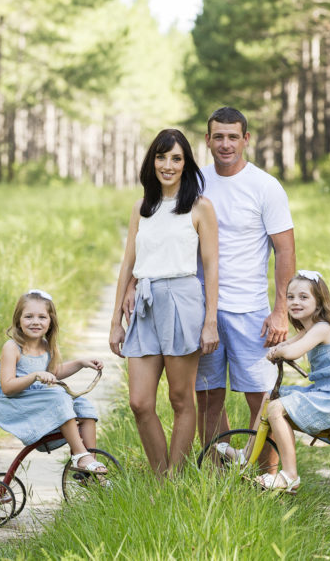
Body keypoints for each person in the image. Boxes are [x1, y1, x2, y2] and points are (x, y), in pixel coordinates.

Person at [109, 128, 219, 475]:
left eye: (176, 158)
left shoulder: (199, 207)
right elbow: (128, 263)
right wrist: (115, 322)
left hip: (182, 301)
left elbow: (212, 266)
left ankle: (175, 478)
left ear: (186, 164)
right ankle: (161, 478)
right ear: (152, 161)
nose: (167, 165)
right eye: (161, 157)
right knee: (139, 402)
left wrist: (210, 321)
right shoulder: (142, 207)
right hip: (144, 304)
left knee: (180, 398)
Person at [194, 106, 296, 448]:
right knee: (208, 398)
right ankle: (214, 469)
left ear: (246, 139)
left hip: (250, 311)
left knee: (263, 401)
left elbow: (285, 251)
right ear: (207, 140)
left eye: (233, 137)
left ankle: (268, 473)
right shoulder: (195, 182)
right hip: (202, 309)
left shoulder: (265, 186)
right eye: (218, 137)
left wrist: (281, 310)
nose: (226, 144)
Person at [231, 270, 330, 492]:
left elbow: (292, 351)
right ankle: (246, 454)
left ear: (319, 302)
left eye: (303, 297)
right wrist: (277, 350)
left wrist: (279, 353)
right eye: (290, 297)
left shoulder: (322, 328)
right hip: (327, 391)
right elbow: (285, 345)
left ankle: (290, 475)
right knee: (270, 397)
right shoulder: (310, 328)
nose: (295, 302)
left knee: (276, 408)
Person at [0, 289, 107, 474]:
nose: (35, 322)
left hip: (42, 401)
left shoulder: (46, 346)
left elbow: (54, 373)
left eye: (42, 317)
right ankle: (80, 455)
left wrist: (80, 363)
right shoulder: (12, 347)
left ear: (50, 321)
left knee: (83, 406)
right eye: (28, 316)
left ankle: (89, 463)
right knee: (59, 396)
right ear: (18, 320)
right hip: (17, 404)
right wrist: (34, 376)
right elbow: (7, 387)